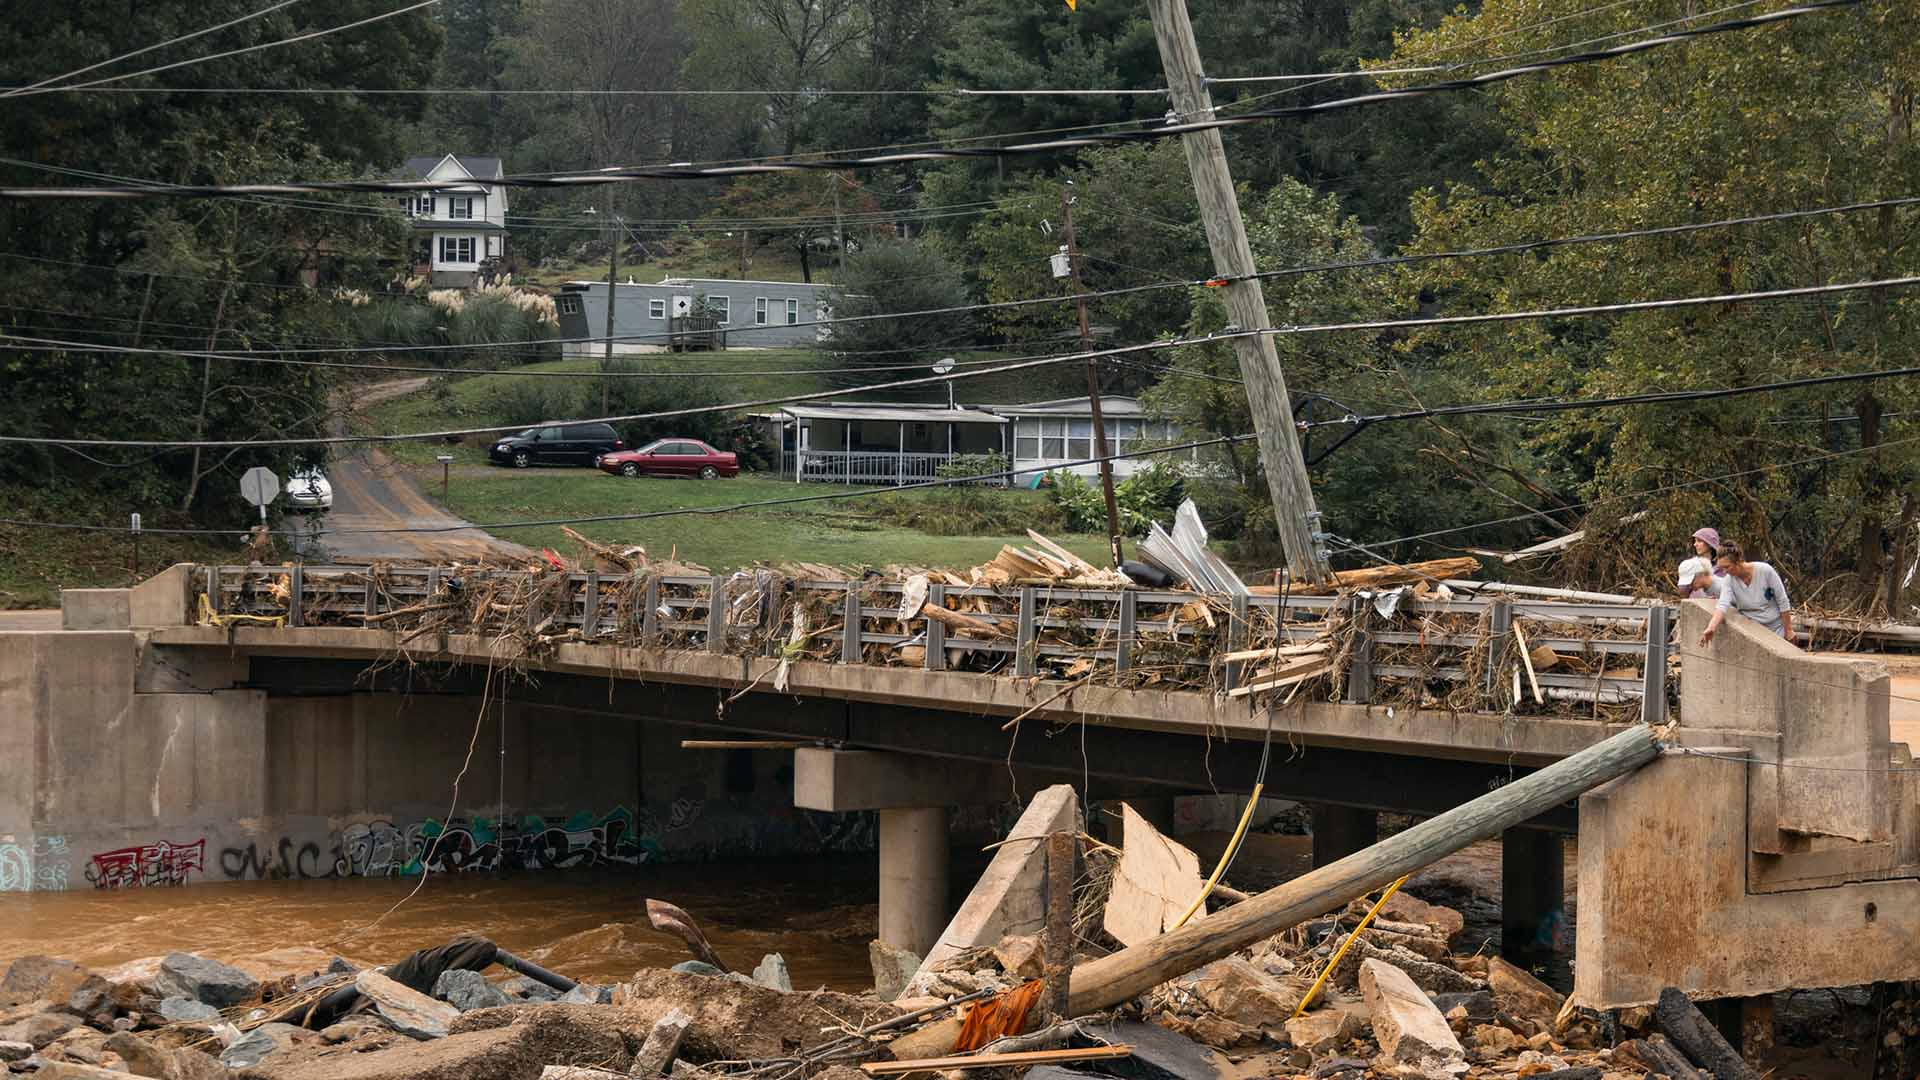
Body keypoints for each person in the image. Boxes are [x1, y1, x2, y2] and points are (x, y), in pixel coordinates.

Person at [1698, 541, 1794, 644]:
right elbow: (1722, 605)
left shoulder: (1765, 571)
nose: (1725, 571)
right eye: (1722, 568)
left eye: (1727, 567)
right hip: (1753, 629)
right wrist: (1711, 627)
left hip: (1775, 626)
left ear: (1739, 561)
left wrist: (1788, 630)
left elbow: (1782, 600)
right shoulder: (1729, 580)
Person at [1676, 527, 1722, 599]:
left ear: (1710, 544)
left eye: (1699, 541)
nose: (1695, 544)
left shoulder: (1722, 567)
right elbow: (1683, 592)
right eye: (1695, 541)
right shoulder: (1691, 565)